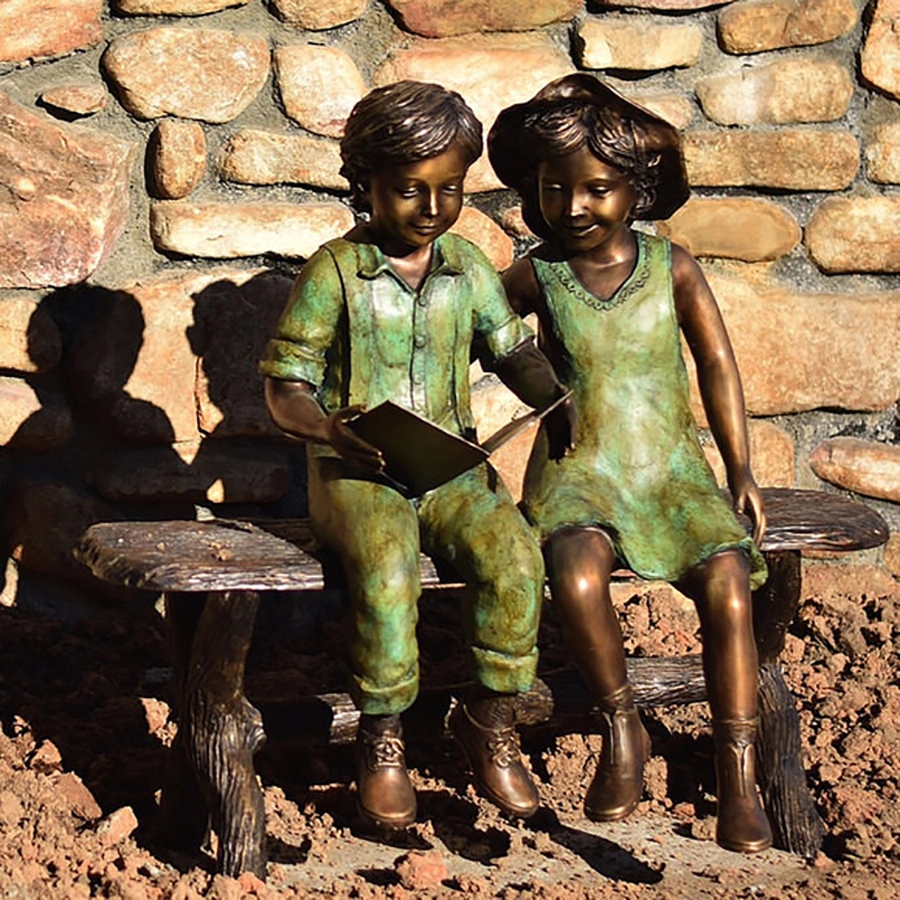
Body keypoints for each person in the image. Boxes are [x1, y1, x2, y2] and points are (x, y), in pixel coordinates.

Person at [259, 80, 573, 831]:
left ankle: (490, 722)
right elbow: (283, 388)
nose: (431, 209)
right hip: (357, 471)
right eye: (408, 189)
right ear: (364, 183)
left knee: (514, 558)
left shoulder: (466, 266)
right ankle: (383, 737)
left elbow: (512, 351)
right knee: (388, 561)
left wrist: (558, 395)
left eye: (450, 189)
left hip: (450, 466)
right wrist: (333, 431)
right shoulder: (334, 272)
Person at [488, 74, 772, 853]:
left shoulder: (671, 266)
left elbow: (717, 365)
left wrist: (739, 469)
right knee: (576, 575)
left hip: (668, 468)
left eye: (597, 189)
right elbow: (473, 325)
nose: (573, 206)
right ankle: (622, 728)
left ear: (637, 189)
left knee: (729, 585)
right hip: (580, 471)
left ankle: (738, 771)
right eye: (553, 189)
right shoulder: (539, 275)